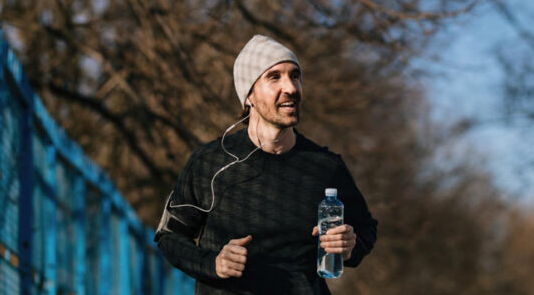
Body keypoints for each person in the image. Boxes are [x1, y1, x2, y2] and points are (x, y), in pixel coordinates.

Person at [154, 35, 378, 294]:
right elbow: (169, 236)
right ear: (248, 95)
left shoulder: (325, 166)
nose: (291, 88)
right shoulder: (210, 163)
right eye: (274, 77)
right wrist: (213, 263)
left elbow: (365, 228)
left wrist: (350, 246)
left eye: (295, 76)